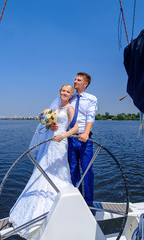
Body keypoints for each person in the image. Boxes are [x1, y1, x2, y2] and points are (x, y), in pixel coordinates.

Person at [9, 84, 78, 240]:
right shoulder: (54, 108)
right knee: (43, 170)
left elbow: (76, 128)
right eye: (63, 90)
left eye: (68, 91)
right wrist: (50, 125)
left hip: (60, 143)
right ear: (60, 92)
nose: (65, 93)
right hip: (49, 141)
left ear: (71, 94)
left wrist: (62, 135)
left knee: (58, 171)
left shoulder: (69, 109)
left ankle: (61, 208)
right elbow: (49, 126)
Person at [53, 72, 98, 206]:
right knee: (72, 170)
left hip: (84, 139)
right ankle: (76, 200)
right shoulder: (69, 98)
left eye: (78, 80)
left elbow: (91, 116)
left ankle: (89, 202)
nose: (75, 81)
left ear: (85, 84)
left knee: (87, 170)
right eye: (75, 79)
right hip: (70, 139)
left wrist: (85, 132)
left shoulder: (91, 98)